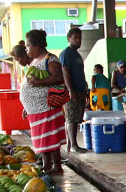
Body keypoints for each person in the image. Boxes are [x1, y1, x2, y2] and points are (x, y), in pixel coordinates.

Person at [21, 29, 66, 175]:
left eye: (28, 46)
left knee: (50, 137)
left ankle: (57, 166)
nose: (26, 49)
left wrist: (39, 82)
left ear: (37, 45)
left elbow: (59, 78)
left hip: (46, 106)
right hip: (34, 109)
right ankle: (47, 164)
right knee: (41, 138)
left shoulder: (50, 59)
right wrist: (26, 105)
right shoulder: (34, 61)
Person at [59, 27, 88, 154]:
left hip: (80, 90)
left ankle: (71, 144)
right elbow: (65, 71)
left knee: (77, 118)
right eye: (75, 38)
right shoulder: (66, 54)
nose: (78, 40)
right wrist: (70, 90)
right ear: (69, 39)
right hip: (72, 91)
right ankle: (74, 145)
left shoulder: (77, 54)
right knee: (71, 118)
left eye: (79, 38)